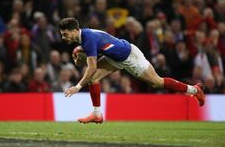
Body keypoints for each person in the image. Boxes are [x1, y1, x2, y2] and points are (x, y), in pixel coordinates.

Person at [59, 17, 205, 124]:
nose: (63, 37)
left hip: (129, 55)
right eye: (62, 34)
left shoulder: (87, 39)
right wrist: (80, 59)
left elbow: (92, 67)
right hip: (114, 57)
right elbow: (96, 52)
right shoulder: (84, 35)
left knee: (157, 82)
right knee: (93, 79)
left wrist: (77, 87)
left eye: (65, 34)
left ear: (74, 31)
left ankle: (194, 90)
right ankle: (97, 114)